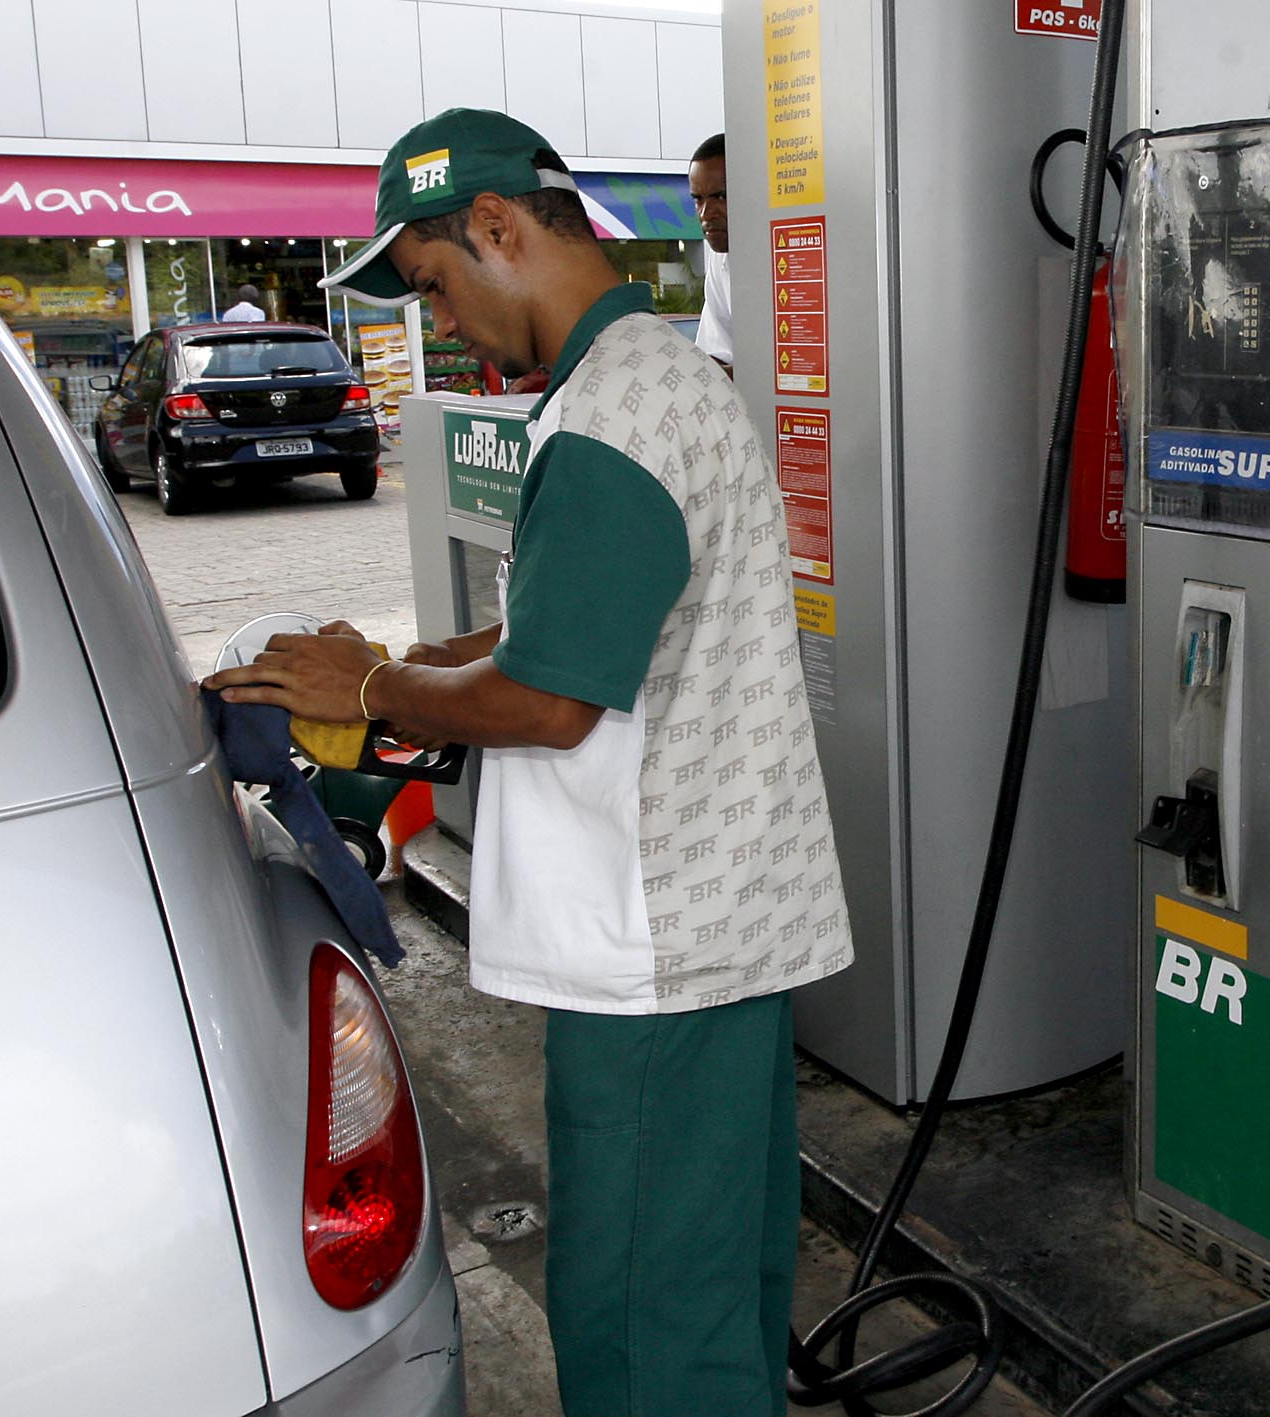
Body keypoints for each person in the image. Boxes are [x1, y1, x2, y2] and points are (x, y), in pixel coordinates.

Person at [203, 108, 851, 1417]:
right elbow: (577, 626)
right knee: (712, 1301)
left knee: (639, 1332)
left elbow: (552, 697)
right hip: (723, 943)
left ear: (497, 228)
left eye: (436, 282)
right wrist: (432, 663)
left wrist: (374, 684)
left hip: (657, 965)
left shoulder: (609, 420)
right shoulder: (661, 377)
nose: (440, 320)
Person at [688, 132, 733, 376]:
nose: (706, 213)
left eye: (721, 196)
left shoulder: (799, 255)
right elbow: (716, 351)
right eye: (698, 199)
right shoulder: (720, 259)